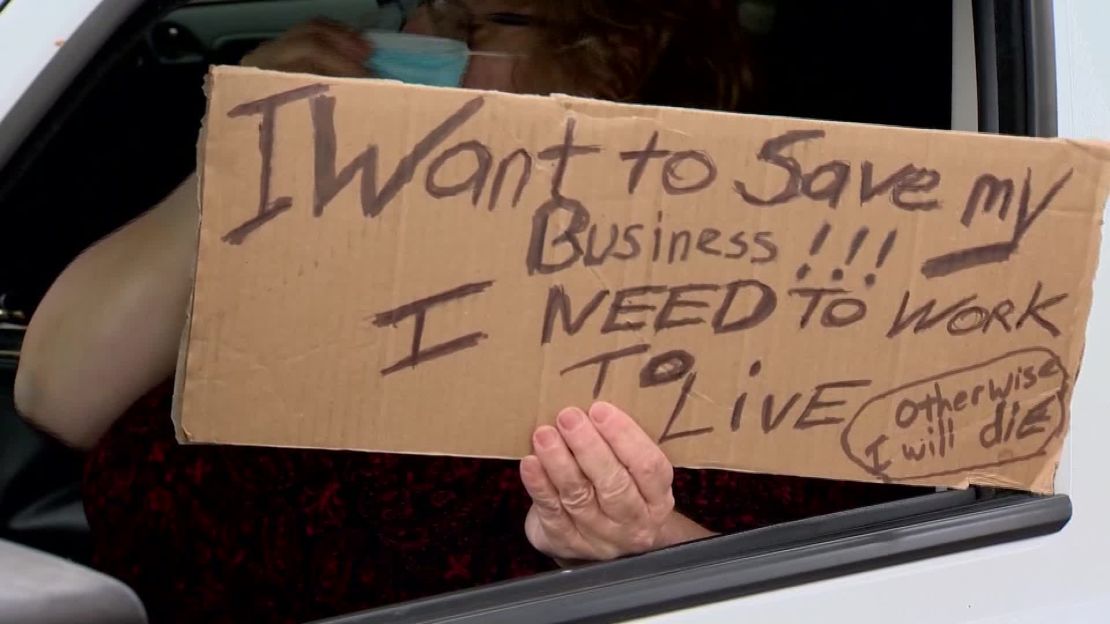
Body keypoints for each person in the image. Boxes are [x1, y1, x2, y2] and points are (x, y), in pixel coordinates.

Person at [14, 1, 913, 622]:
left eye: (484, 21)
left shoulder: (735, 295)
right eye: (422, 6)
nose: (419, 36)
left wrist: (641, 543)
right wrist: (246, 148)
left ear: (621, 58)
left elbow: (900, 575)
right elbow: (58, 393)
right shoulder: (326, 216)